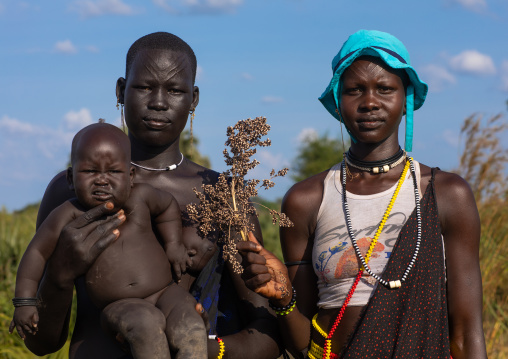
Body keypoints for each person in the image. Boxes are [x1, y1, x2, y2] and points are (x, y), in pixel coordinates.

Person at [23, 32, 281, 359]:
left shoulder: (222, 197)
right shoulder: (69, 189)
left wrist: (198, 346)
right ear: (120, 90)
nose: (158, 102)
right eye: (144, 87)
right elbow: (41, 343)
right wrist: (60, 272)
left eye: (175, 90)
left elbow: (266, 334)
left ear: (194, 99)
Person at [238, 29, 487, 358]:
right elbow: (301, 346)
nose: (370, 102)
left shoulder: (447, 194)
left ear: (406, 97)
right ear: (338, 103)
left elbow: (467, 332)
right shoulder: (306, 201)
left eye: (385, 88)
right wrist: (284, 300)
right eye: (355, 90)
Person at [11, 122, 206, 358]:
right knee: (146, 327)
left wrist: (174, 245)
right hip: (120, 305)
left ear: (130, 176)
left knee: (192, 327)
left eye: (113, 172)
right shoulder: (67, 214)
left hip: (165, 292)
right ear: (71, 178)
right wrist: (24, 302)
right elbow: (36, 253)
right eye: (90, 171)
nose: (102, 180)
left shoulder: (140, 197)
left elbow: (167, 207)